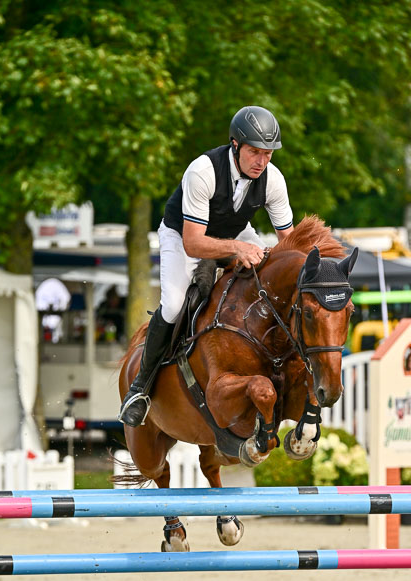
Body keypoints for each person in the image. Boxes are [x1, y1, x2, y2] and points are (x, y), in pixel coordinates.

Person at [119, 105, 294, 427]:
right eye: (255, 152)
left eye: (268, 154)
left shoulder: (273, 179)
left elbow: (290, 242)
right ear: (235, 144)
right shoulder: (203, 170)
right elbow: (195, 243)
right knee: (172, 305)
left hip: (233, 231)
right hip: (183, 235)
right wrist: (237, 248)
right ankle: (140, 387)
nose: (262, 162)